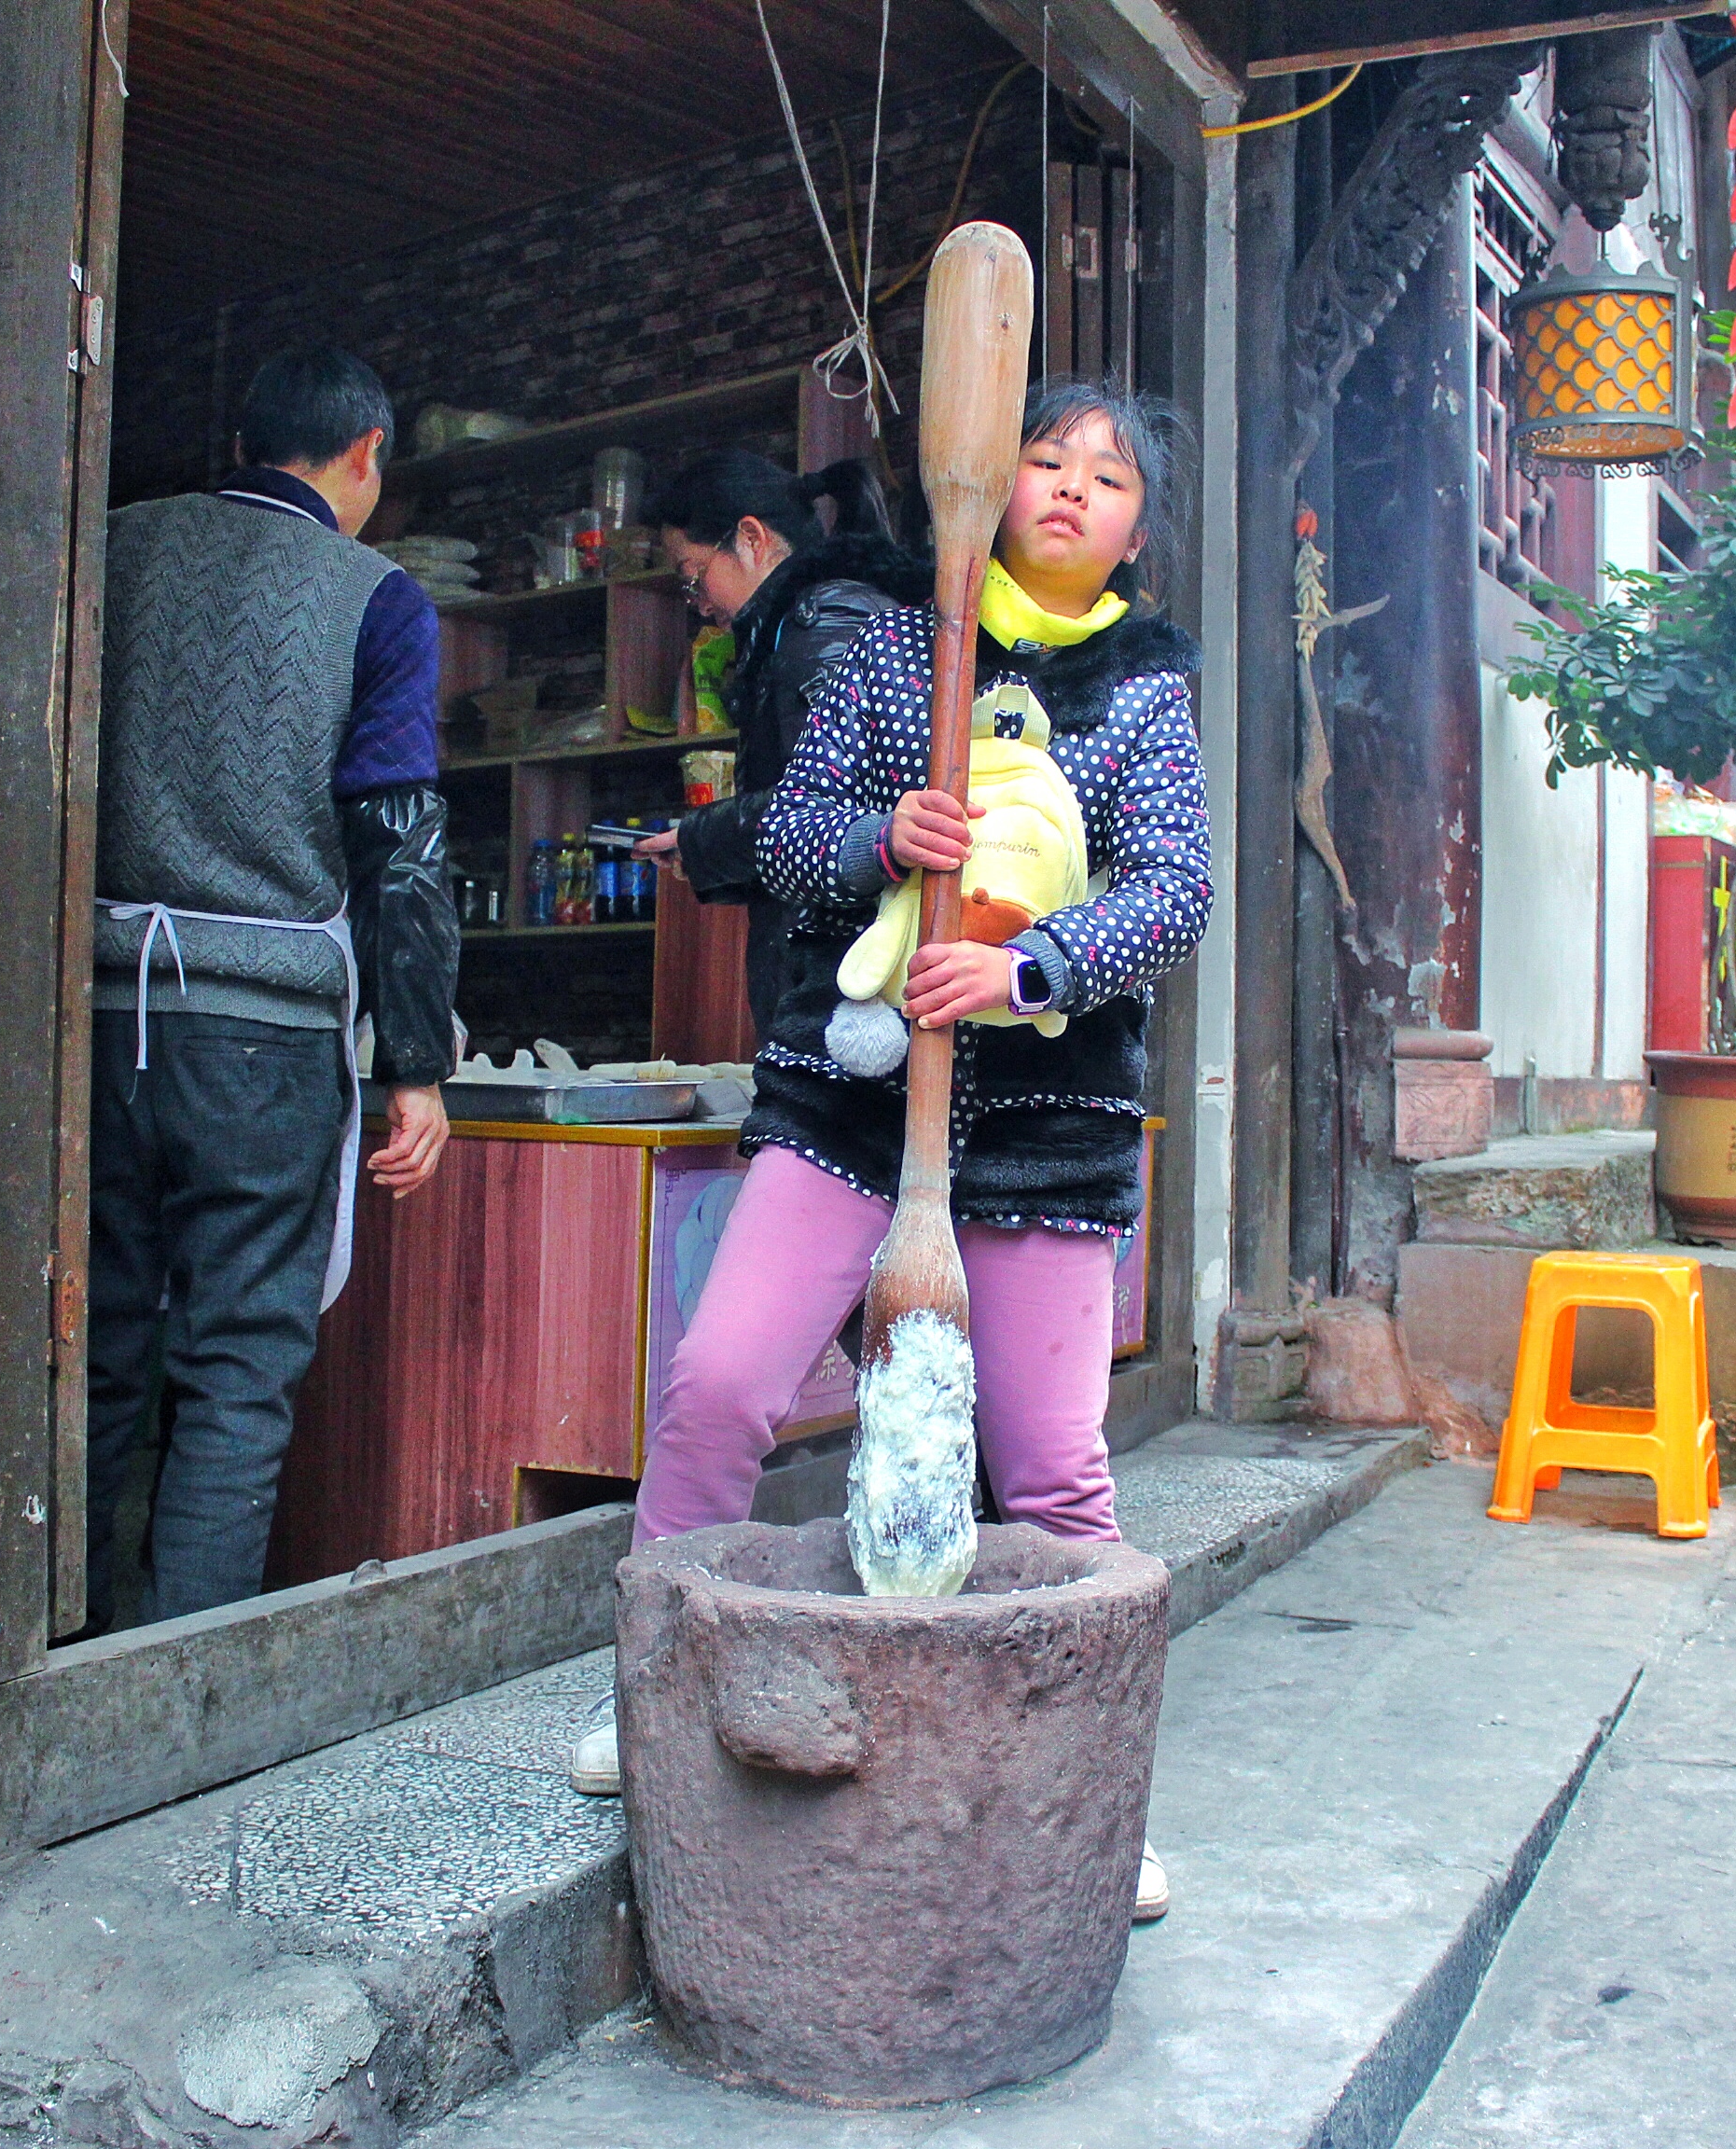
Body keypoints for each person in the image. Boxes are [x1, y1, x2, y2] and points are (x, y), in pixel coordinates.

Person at [574, 383, 1213, 1920]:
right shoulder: (895, 653)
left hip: (1044, 1128)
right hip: (849, 1106)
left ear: (1138, 530)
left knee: (1052, 1471)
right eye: (1043, 458)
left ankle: (1085, 1790)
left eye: (1109, 476)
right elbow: (786, 834)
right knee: (719, 1382)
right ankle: (657, 1695)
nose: (1069, 487)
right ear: (988, 484)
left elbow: (1172, 890)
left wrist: (1027, 965)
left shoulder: (1145, 693)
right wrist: (883, 840)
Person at [82, 346, 461, 1631]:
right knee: (238, 1373)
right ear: (366, 454)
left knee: (91, 1355)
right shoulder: (376, 596)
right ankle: (186, 1688)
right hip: (265, 1037)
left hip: (93, 1023)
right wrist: (415, 1062)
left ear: (246, 442)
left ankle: (60, 1659)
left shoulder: (110, 547)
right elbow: (399, 840)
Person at [635, 451, 930, 1037]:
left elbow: (830, 817)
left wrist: (702, 838)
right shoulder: (799, 624)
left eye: (693, 576)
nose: (698, 602)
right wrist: (701, 851)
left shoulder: (826, 623)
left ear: (751, 538)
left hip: (847, 984)